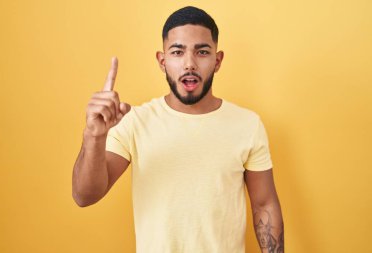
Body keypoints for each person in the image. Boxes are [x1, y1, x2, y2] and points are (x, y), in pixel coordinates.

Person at [72, 6, 284, 253]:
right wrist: (93, 136)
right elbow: (84, 196)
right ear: (163, 61)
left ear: (217, 61)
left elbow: (264, 204)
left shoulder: (248, 124)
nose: (189, 64)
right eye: (177, 52)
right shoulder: (134, 122)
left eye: (202, 52)